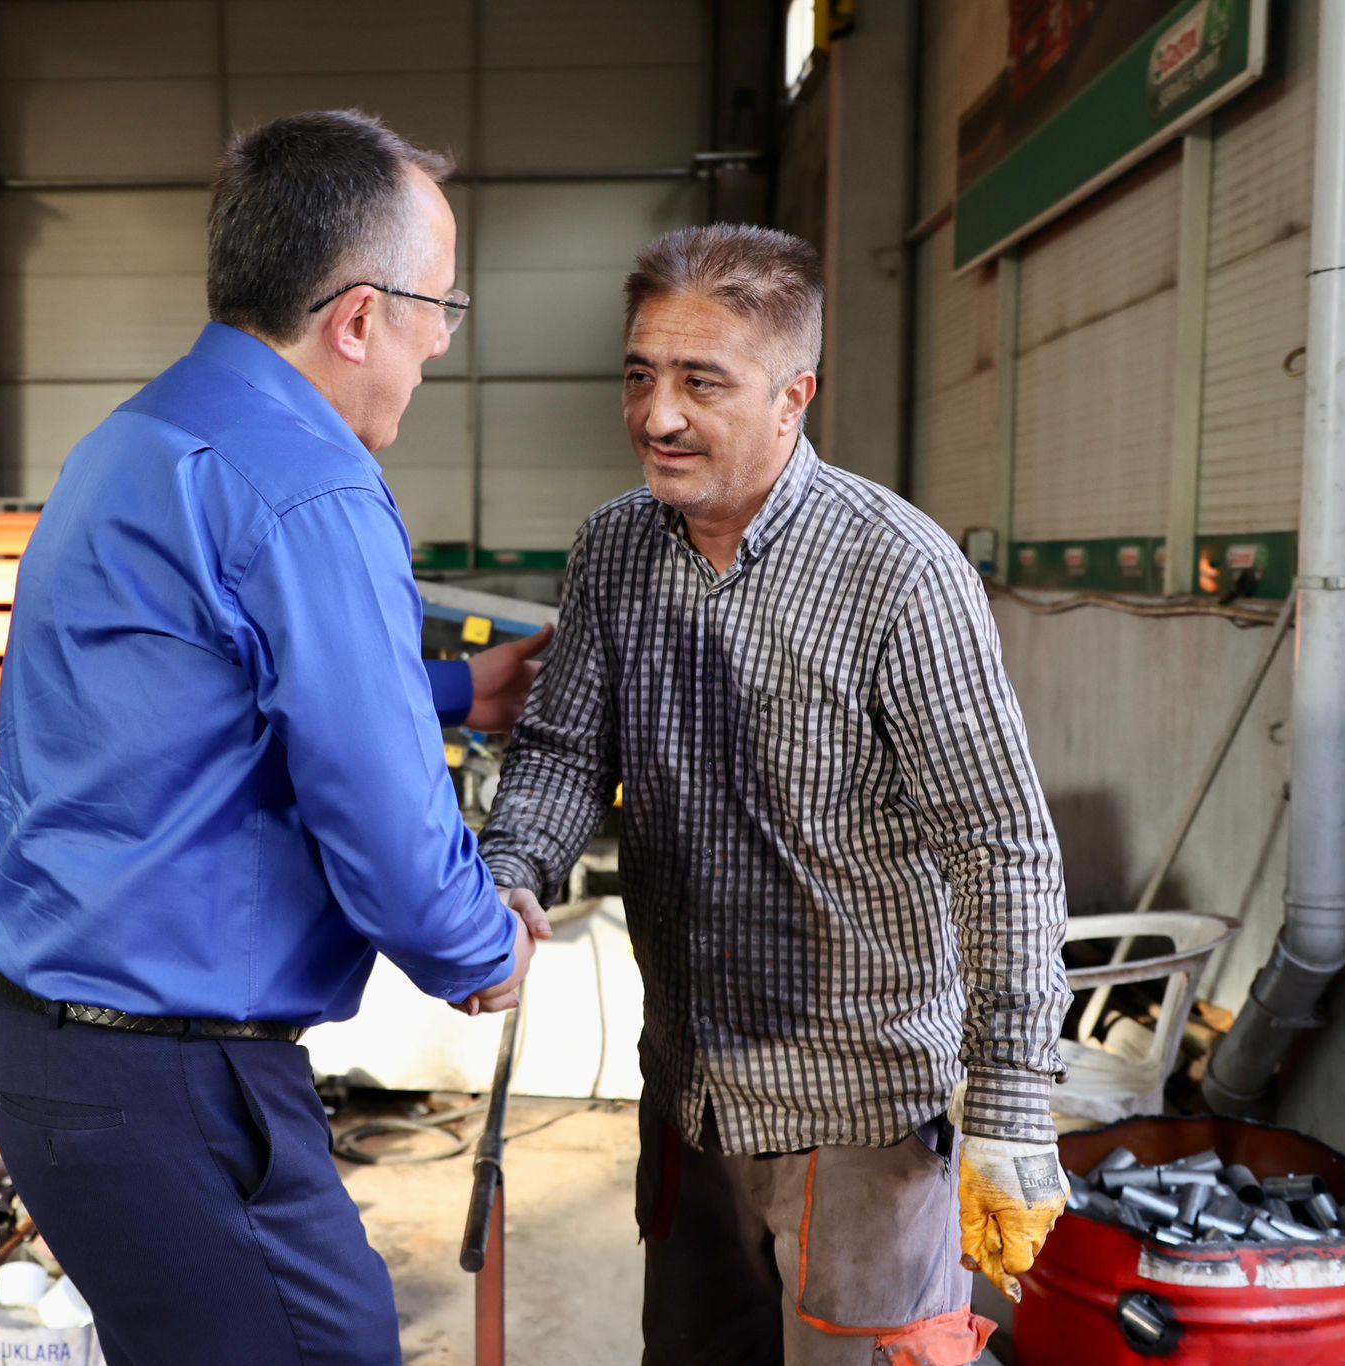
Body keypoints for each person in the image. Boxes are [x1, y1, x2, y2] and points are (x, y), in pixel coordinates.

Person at [0, 109, 551, 1366]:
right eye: (439, 308)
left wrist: (457, 691)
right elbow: (377, 809)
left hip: (46, 1041)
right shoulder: (309, 482)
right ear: (358, 318)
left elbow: (198, 687)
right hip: (169, 1077)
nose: (439, 343)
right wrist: (478, 944)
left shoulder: (143, 438)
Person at [478, 224, 1071, 1365]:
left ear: (794, 394)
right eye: (639, 375)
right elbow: (560, 747)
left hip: (855, 1119)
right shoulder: (613, 550)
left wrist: (1009, 1099)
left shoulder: (896, 571)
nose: (655, 415)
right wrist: (512, 871)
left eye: (700, 382)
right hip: (687, 1095)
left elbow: (999, 845)